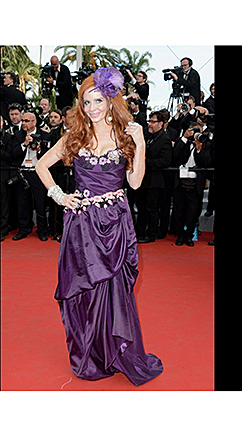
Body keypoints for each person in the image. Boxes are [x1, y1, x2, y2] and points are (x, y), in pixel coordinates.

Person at [35, 68, 163, 386]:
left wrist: (141, 144)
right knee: (85, 291)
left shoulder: (124, 137)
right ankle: (90, 353)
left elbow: (135, 182)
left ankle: (116, 351)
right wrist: (60, 196)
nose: (92, 108)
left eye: (98, 101)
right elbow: (41, 165)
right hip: (82, 227)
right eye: (86, 102)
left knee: (115, 291)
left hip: (115, 224)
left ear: (110, 102)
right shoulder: (75, 137)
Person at [11, 112, 54, 241]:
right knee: (22, 203)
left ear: (34, 122)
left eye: (27, 121)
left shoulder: (45, 135)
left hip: (38, 173)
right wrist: (24, 144)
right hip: (22, 172)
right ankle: (24, 229)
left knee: (40, 202)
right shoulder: (18, 135)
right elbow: (13, 154)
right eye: (23, 121)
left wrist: (39, 150)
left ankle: (42, 230)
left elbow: (49, 155)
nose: (24, 123)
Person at [171, 122, 212, 246]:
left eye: (199, 132)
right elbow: (175, 155)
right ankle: (180, 236)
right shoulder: (182, 141)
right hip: (180, 183)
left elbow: (206, 162)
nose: (197, 135)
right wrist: (184, 138)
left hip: (195, 185)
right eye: (195, 132)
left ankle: (189, 236)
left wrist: (199, 148)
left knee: (192, 213)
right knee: (178, 212)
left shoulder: (206, 144)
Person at [135, 110, 173, 243]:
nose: (149, 124)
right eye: (149, 121)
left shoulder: (165, 139)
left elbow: (165, 161)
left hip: (154, 181)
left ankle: (151, 234)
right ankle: (140, 232)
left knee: (152, 209)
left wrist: (145, 162)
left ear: (161, 123)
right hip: (143, 179)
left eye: (153, 122)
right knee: (141, 207)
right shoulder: (147, 136)